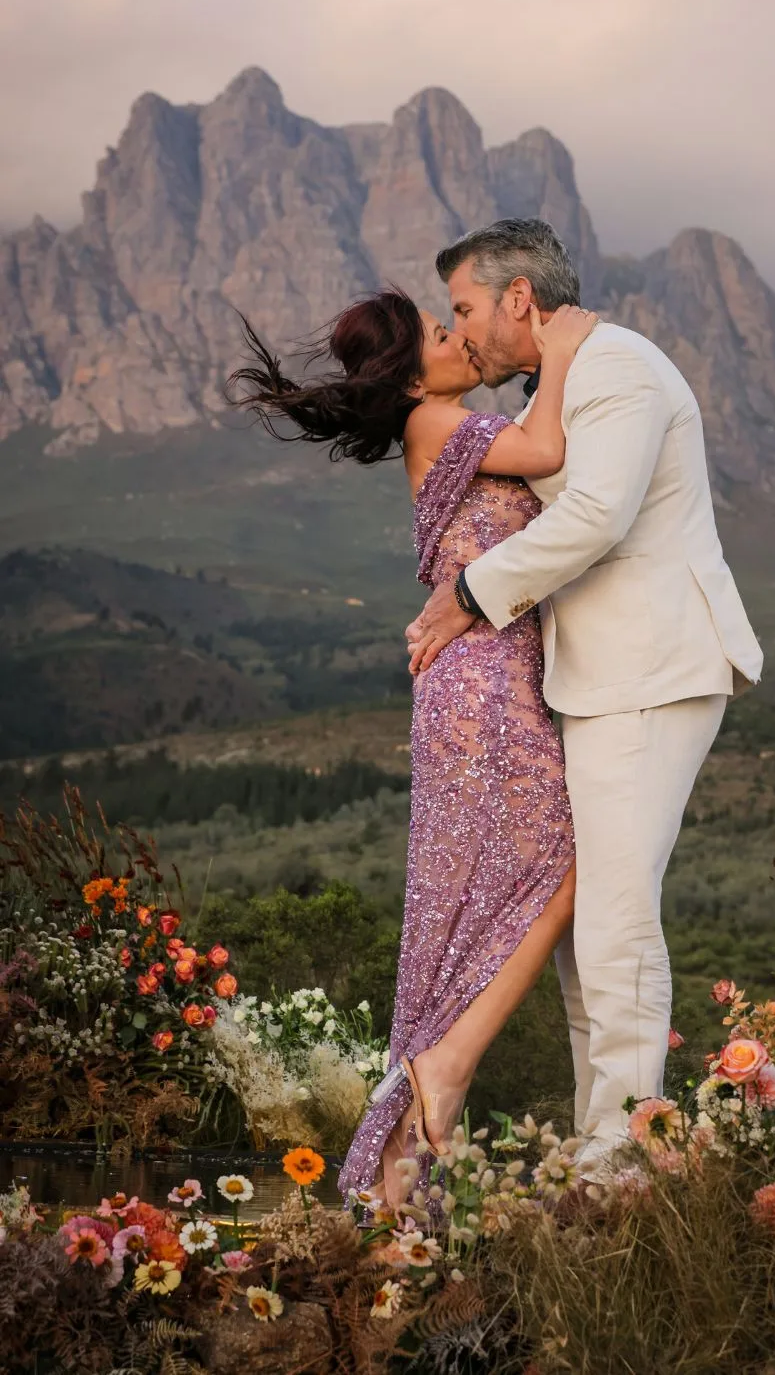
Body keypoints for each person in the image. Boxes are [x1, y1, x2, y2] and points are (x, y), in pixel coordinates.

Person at [406, 219, 764, 1178]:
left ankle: (626, 1154)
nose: (460, 328)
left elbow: (601, 515)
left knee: (614, 911)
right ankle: (595, 1145)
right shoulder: (567, 383)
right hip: (599, 677)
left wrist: (471, 592)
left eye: (465, 307)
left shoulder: (620, 368)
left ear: (519, 298)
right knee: (586, 932)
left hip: (650, 670)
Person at [227, 287, 598, 1207]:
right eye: (441, 332)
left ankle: (404, 1166)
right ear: (410, 375)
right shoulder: (436, 421)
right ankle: (445, 1066)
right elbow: (546, 453)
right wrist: (560, 351)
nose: (460, 337)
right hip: (484, 689)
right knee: (564, 867)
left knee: (487, 895)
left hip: (488, 680)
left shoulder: (441, 423)